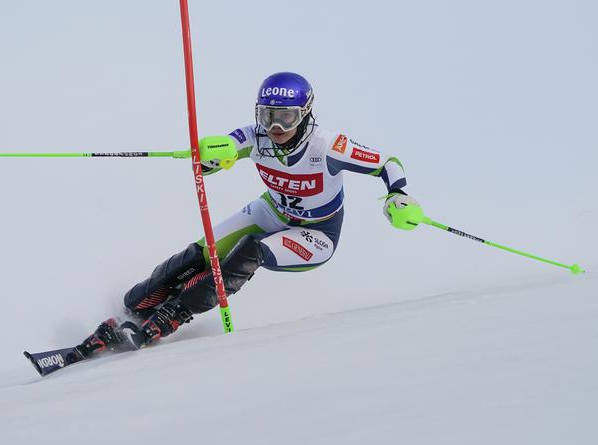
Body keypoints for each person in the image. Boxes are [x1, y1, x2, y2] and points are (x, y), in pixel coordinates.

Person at [70, 71, 421, 360]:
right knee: (201, 254)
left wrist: (398, 195)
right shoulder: (255, 137)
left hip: (316, 233)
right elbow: (222, 150)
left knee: (249, 249)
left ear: (305, 114)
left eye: (286, 117)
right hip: (273, 210)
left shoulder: (328, 146)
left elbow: (386, 164)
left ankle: (172, 315)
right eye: (268, 116)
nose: (276, 127)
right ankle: (134, 308)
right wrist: (209, 157)